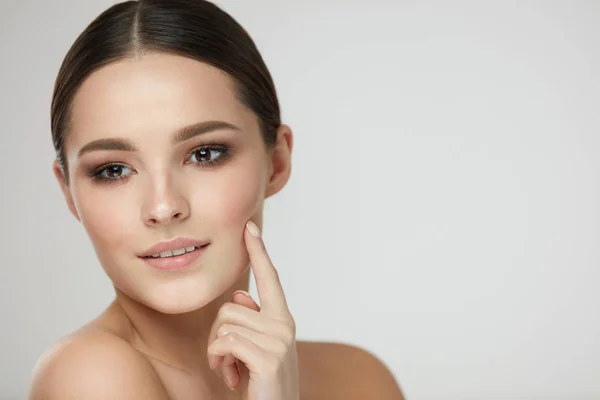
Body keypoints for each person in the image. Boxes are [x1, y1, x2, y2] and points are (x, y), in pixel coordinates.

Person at [29, 1, 405, 399]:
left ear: (276, 161)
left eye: (204, 154)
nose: (162, 207)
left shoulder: (360, 379)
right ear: (68, 191)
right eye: (113, 170)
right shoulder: (88, 376)